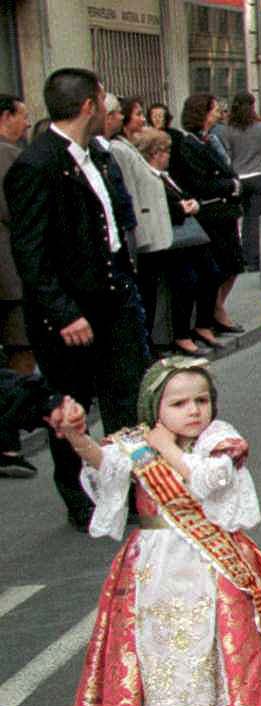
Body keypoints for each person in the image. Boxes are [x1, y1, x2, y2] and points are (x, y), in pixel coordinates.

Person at [51, 357, 261, 706]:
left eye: (201, 400)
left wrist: (165, 447)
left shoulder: (219, 439)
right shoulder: (135, 444)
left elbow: (208, 481)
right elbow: (107, 469)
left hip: (210, 559)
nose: (193, 410)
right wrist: (78, 438)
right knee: (160, 646)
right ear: (156, 410)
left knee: (215, 638)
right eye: (179, 403)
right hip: (154, 562)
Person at [6, 68, 149, 529]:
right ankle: (79, 498)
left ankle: (127, 487)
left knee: (125, 399)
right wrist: (63, 311)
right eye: (103, 99)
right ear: (89, 104)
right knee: (71, 406)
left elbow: (111, 225)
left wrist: (126, 283)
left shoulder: (99, 156)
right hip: (69, 312)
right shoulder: (36, 165)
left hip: (114, 298)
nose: (108, 107)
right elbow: (30, 251)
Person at [126, 128, 220, 357]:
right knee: (185, 280)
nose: (168, 155)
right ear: (155, 153)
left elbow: (183, 194)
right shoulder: (148, 176)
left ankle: (201, 324)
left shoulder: (166, 176)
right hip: (167, 239)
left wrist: (190, 204)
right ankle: (180, 334)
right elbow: (157, 205)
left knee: (210, 272)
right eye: (165, 151)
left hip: (185, 236)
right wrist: (181, 208)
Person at [171, 93, 245, 339]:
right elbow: (201, 182)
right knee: (221, 266)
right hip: (210, 213)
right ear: (202, 112)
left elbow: (224, 169)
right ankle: (213, 312)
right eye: (214, 109)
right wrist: (230, 186)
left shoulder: (210, 140)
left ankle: (217, 307)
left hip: (225, 211)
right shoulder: (188, 145)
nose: (218, 113)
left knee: (234, 263)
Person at [214, 93, 261, 272]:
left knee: (241, 218)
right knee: (255, 217)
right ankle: (254, 257)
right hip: (259, 176)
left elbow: (226, 153)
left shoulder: (228, 130)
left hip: (239, 177)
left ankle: (243, 255)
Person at [0, 93, 29, 386]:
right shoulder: (8, 156)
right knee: (20, 343)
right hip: (10, 271)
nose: (27, 122)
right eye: (23, 115)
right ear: (6, 116)